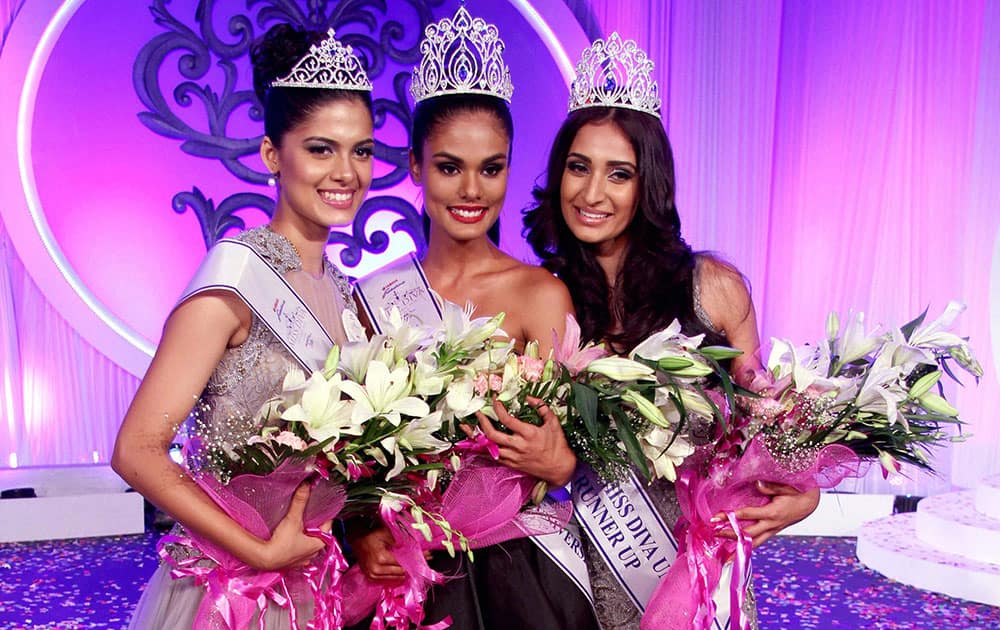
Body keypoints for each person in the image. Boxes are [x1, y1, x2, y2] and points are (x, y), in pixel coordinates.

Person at [523, 33, 820, 630]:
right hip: (584, 577)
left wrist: (804, 488)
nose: (592, 193)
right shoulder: (538, 300)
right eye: (578, 168)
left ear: (648, 184)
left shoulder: (710, 288)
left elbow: (765, 420)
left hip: (696, 569)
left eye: (619, 174)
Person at [112, 24, 374, 627]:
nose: (346, 171)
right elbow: (136, 451)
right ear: (270, 155)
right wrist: (258, 550)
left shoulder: (346, 294)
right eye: (320, 148)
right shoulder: (233, 278)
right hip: (231, 591)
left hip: (319, 581)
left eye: (360, 150)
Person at [347, 7, 598, 630]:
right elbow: (348, 456)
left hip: (519, 574)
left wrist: (561, 461)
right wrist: (359, 528)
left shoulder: (542, 294)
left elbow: (586, 453)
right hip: (403, 571)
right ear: (414, 168)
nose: (472, 190)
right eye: (449, 166)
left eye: (492, 167)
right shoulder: (370, 295)